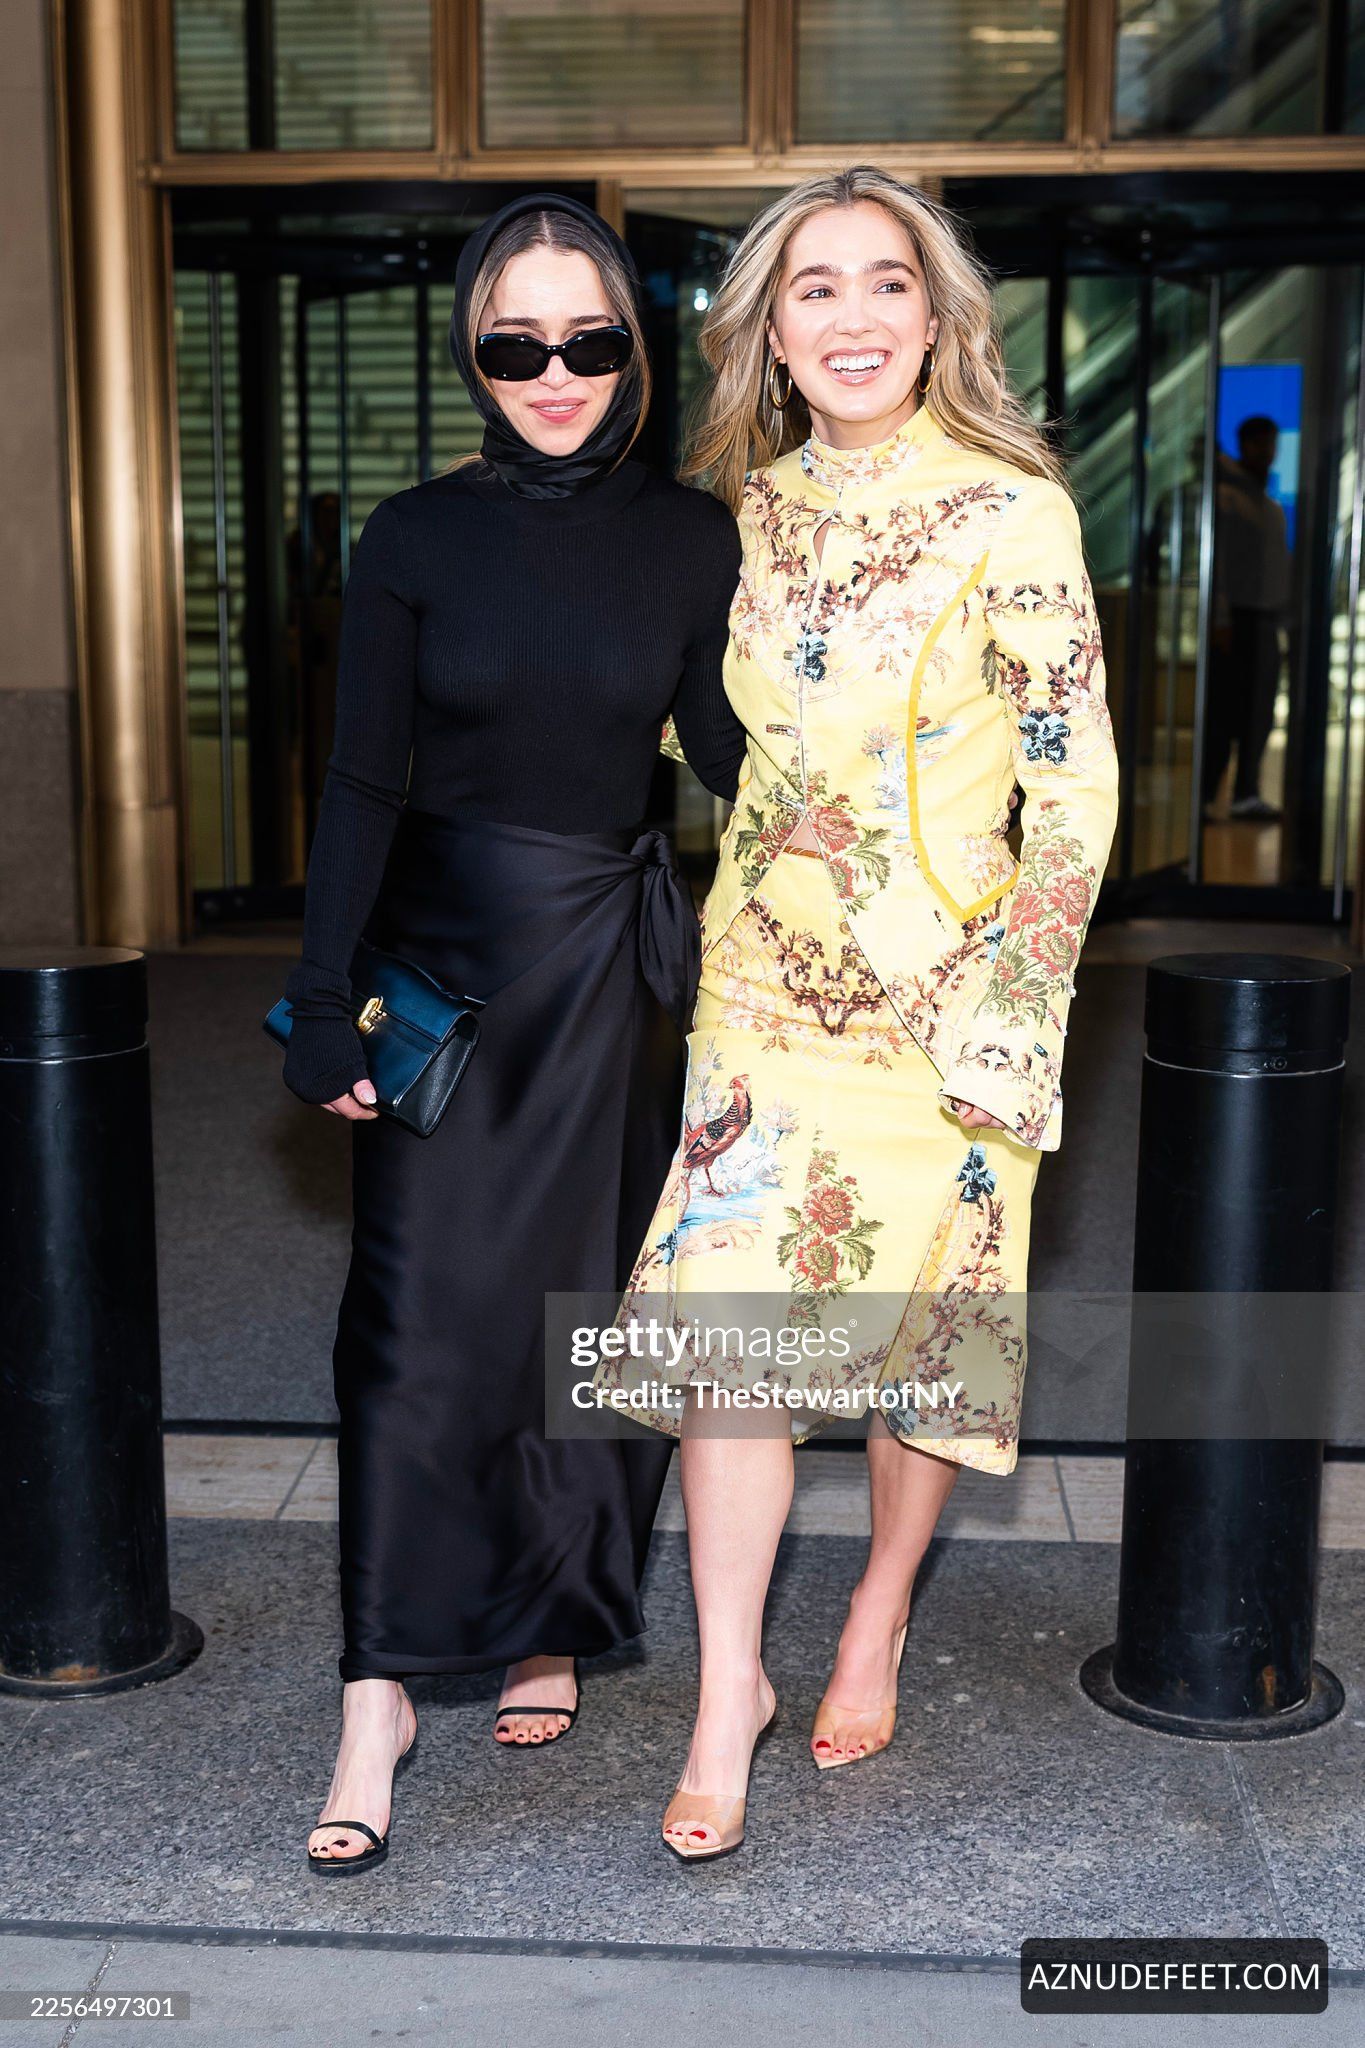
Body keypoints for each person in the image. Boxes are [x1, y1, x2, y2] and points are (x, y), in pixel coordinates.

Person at [595, 166, 1120, 1861]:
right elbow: (684, 725)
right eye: (811, 287)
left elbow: (1075, 788)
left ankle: (882, 1601)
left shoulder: (1010, 511)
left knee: (927, 1353)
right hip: (763, 989)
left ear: (936, 315)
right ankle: (724, 1693)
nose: (852, 316)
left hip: (952, 1001)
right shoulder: (730, 515)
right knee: (730, 1355)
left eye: (885, 281)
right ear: (768, 330)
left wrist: (1018, 1008)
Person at [278, 192, 747, 1870]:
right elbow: (362, 779)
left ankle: (547, 1621)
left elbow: (729, 760)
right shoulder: (414, 537)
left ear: (635, 346)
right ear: (471, 354)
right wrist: (322, 996)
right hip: (448, 976)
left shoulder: (693, 540)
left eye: (589, 339)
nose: (555, 372)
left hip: (608, 980)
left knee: (581, 1327)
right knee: (408, 1331)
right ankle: (378, 1695)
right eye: (515, 343)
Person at [1202, 414, 1291, 823]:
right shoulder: (1227, 497)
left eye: (1271, 444)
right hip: (1235, 620)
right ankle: (1208, 796)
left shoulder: (1267, 504)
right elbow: (1216, 565)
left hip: (1264, 619)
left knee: (1259, 711)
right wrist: (1221, 618)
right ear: (1244, 445)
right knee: (1225, 712)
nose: (1267, 452)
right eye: (1260, 444)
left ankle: (1245, 793)